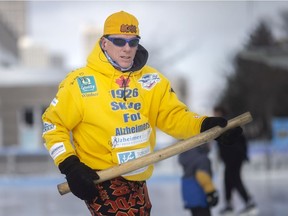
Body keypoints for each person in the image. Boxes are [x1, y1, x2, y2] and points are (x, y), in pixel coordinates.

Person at [42, 10, 241, 215]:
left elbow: (173, 116)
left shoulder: (151, 80)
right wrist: (70, 166)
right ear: (104, 43)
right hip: (102, 180)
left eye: (133, 42)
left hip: (137, 176)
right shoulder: (80, 83)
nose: (127, 48)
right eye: (119, 41)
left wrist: (205, 125)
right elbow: (53, 125)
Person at [213, 106, 258, 216]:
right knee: (228, 180)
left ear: (220, 112)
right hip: (230, 158)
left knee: (235, 179)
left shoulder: (227, 123)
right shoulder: (221, 124)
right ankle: (229, 205)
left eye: (215, 112)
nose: (214, 114)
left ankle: (249, 202)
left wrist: (243, 154)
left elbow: (241, 139)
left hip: (234, 157)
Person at [178, 143, 219, 216]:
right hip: (199, 192)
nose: (210, 145)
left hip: (188, 190)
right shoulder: (202, 158)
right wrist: (211, 192)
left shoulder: (187, 154)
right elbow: (202, 176)